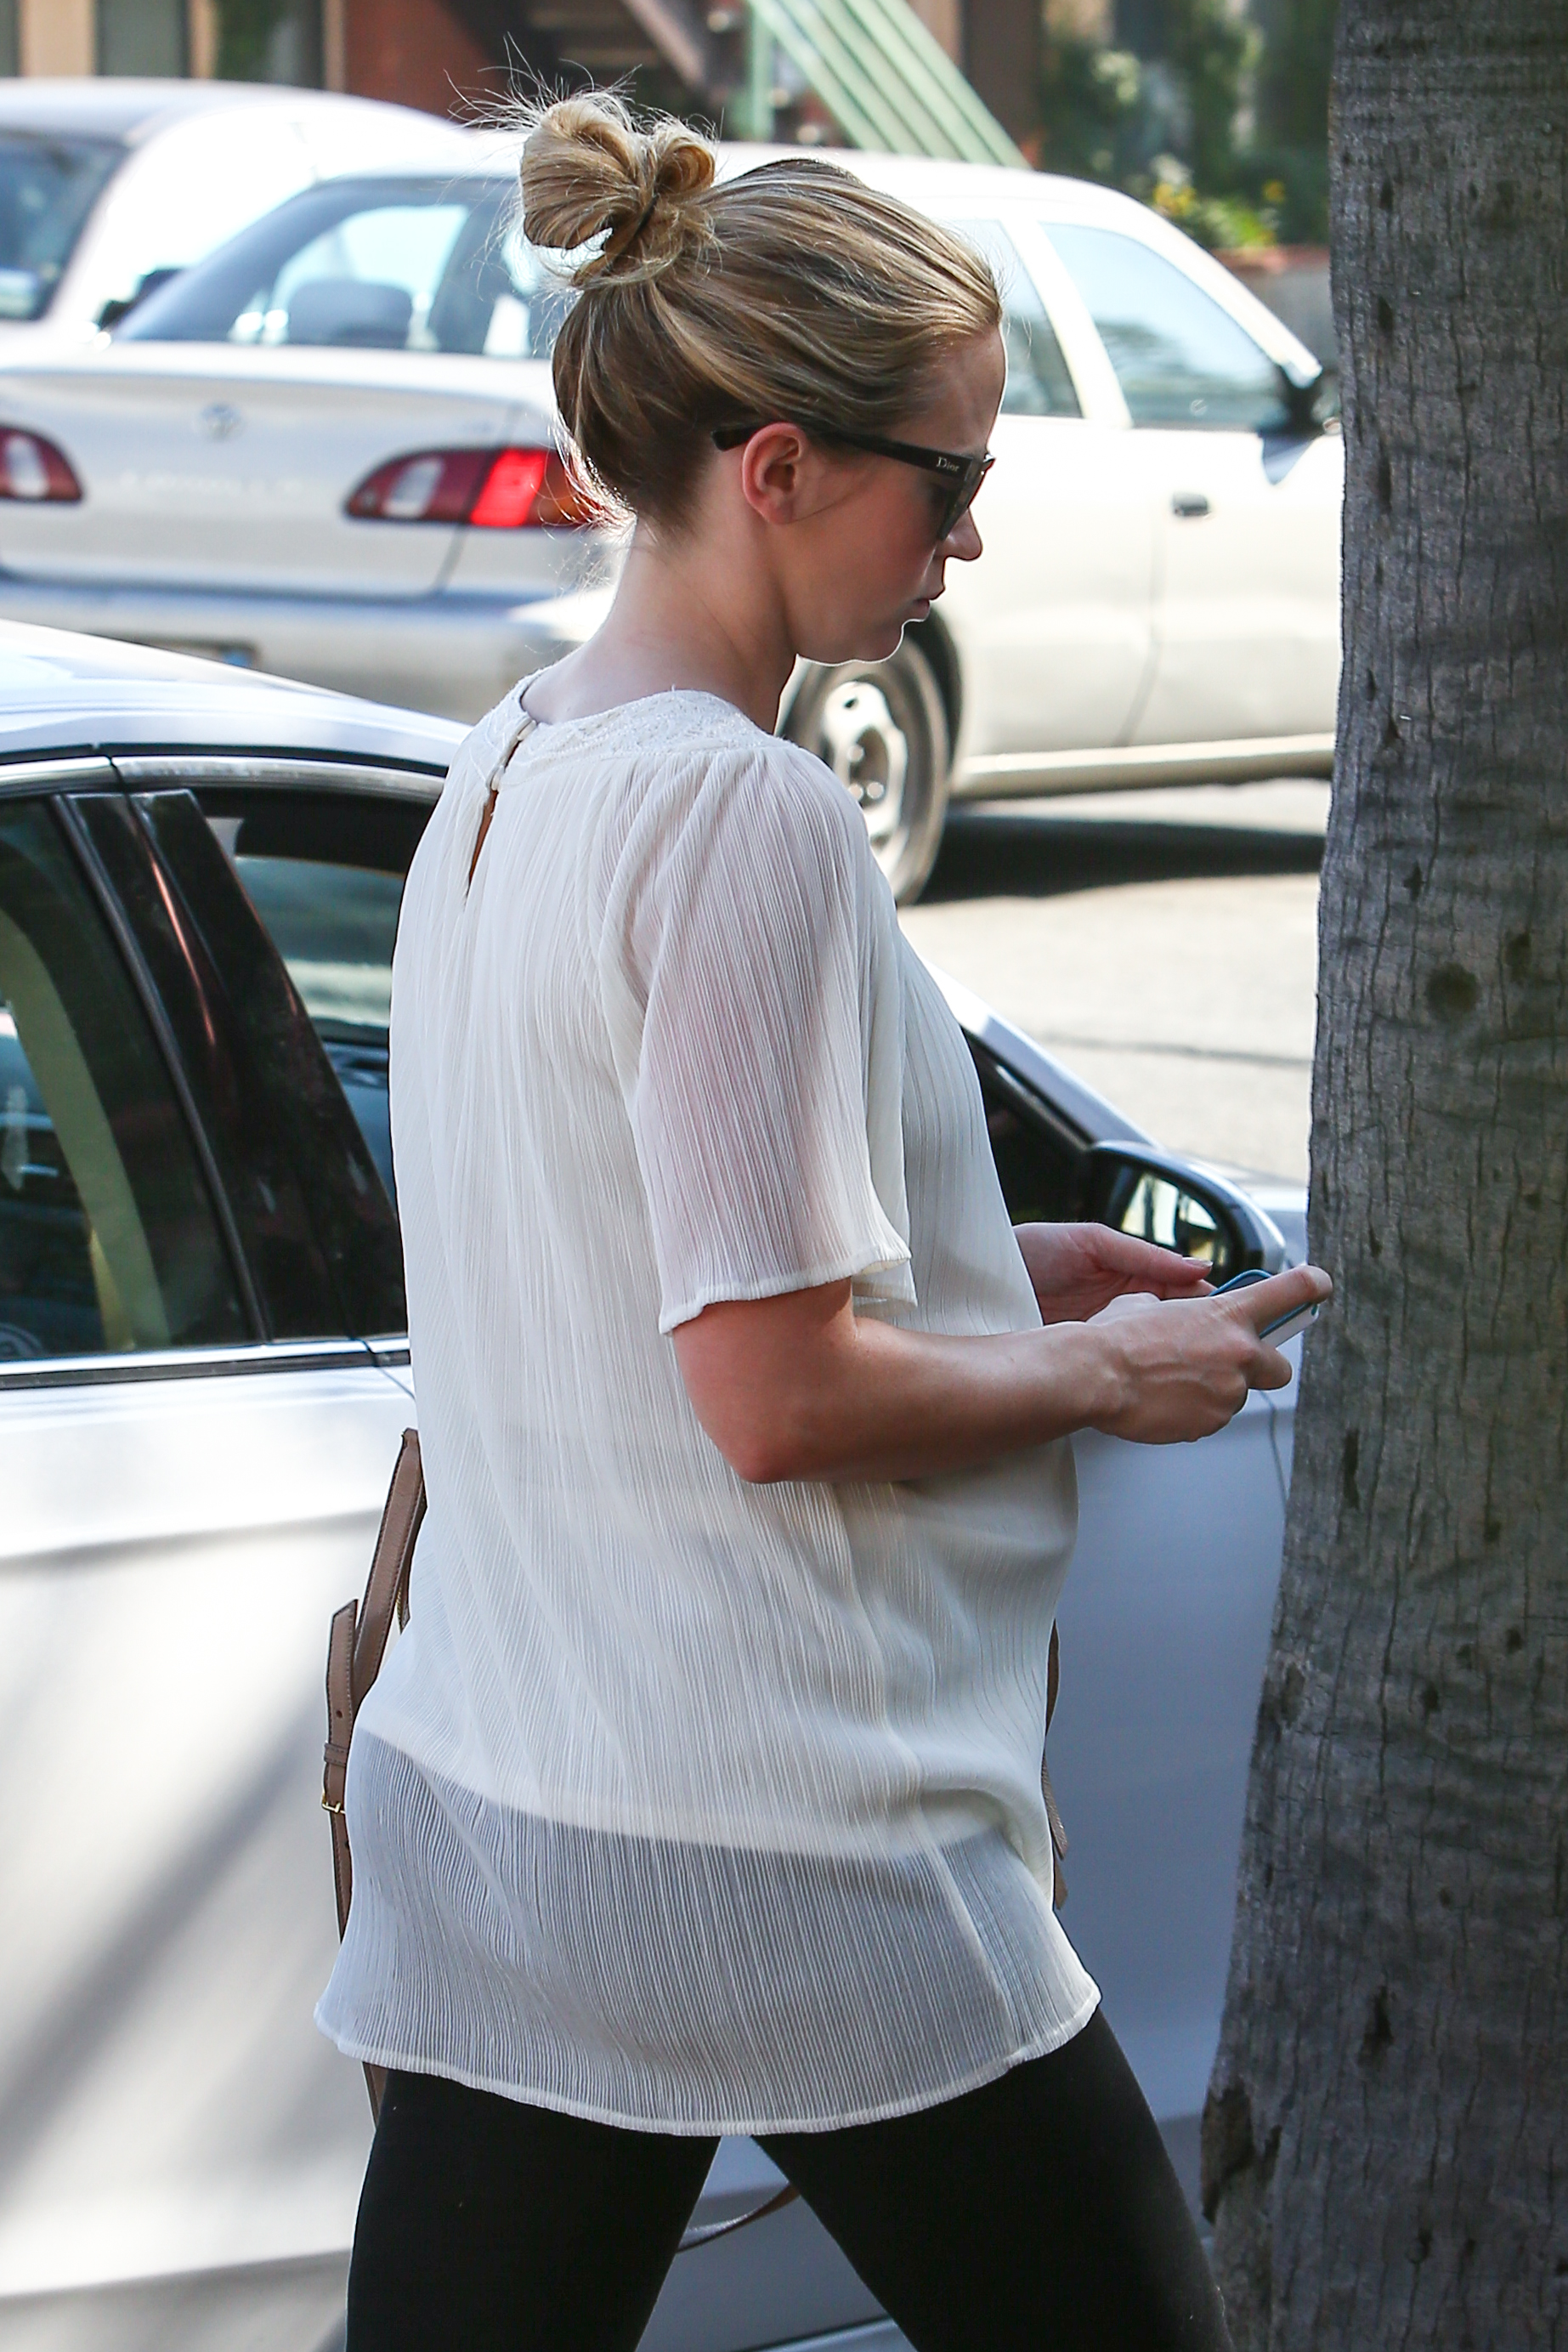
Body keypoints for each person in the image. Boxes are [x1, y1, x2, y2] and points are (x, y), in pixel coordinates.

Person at [316, 93, 1331, 2352]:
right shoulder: (747, 814)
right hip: (794, 1826)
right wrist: (1100, 1373)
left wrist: (985, 1271)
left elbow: (620, 1262)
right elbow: (771, 1398)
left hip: (523, 1806)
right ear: (776, 468)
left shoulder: (511, 762)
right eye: (945, 479)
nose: (967, 538)